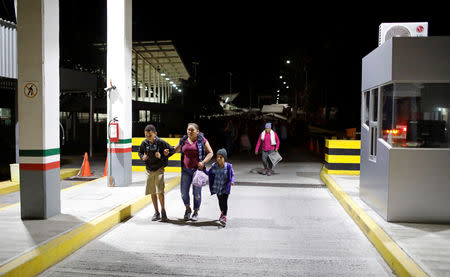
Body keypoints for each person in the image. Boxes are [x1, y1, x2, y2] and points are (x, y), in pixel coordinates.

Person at [174, 123, 213, 221]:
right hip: (185, 171)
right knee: (183, 192)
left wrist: (203, 162)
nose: (189, 132)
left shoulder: (201, 140)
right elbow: (174, 150)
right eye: (188, 130)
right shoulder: (183, 140)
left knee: (196, 193)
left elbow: (211, 153)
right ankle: (188, 209)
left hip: (197, 171)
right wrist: (167, 152)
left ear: (197, 132)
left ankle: (196, 212)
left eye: (192, 130)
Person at [138, 124, 175, 221]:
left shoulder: (161, 142)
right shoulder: (144, 143)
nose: (148, 137)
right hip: (149, 170)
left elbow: (172, 150)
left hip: (159, 169)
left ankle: (163, 211)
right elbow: (140, 152)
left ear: (155, 134)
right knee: (152, 191)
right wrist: (142, 157)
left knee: (160, 191)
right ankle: (156, 212)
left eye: (150, 135)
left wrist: (163, 155)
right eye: (146, 135)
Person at [207, 148, 235, 226]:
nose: (218, 158)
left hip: (225, 188)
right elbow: (209, 173)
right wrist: (202, 169)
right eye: (217, 157)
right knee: (220, 201)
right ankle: (222, 213)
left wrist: (232, 181)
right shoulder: (214, 166)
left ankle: (224, 216)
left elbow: (232, 175)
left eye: (221, 157)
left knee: (224, 201)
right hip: (217, 187)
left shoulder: (228, 166)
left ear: (224, 158)